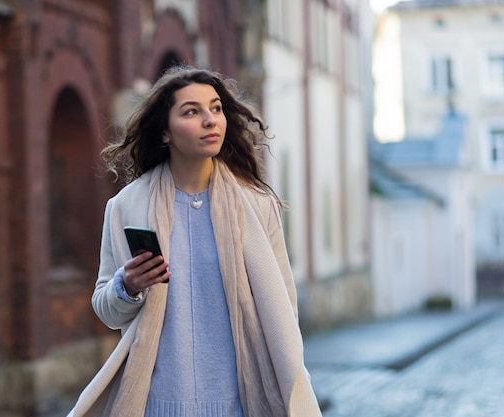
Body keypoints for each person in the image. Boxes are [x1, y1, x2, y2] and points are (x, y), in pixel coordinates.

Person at [67, 66, 322, 417]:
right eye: (192, 111)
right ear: (165, 132)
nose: (210, 120)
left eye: (215, 108)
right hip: (158, 404)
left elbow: (284, 308)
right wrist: (127, 286)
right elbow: (106, 309)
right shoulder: (127, 206)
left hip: (243, 402)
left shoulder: (258, 205)